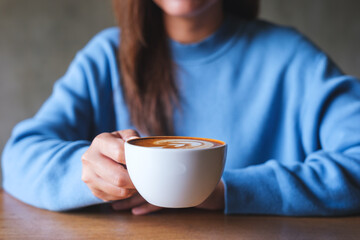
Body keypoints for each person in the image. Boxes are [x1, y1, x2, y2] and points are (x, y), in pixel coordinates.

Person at [2, 0, 360, 216]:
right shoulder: (107, 58)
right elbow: (18, 156)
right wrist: (87, 174)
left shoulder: (292, 59)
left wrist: (225, 190)